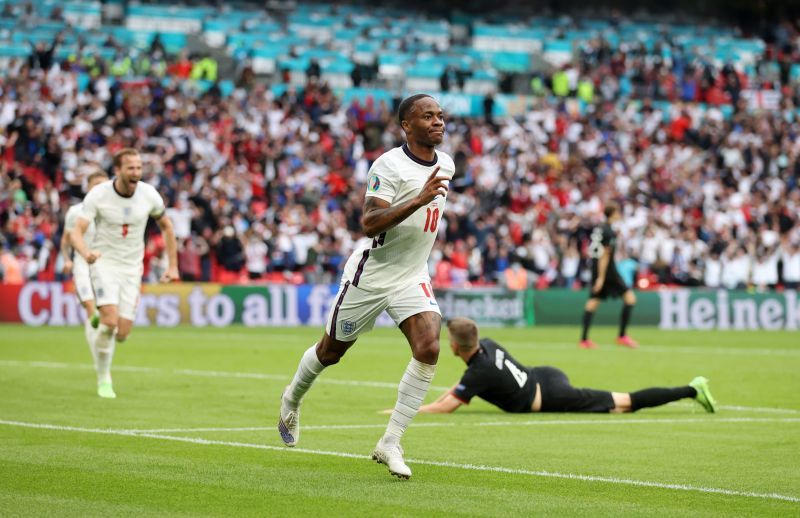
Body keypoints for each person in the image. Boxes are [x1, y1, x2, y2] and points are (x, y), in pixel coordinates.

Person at [278, 94, 455, 480]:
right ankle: (292, 397)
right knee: (331, 352)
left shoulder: (446, 163)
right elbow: (370, 222)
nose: (438, 122)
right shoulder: (388, 165)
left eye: (440, 116)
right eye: (428, 116)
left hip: (411, 274)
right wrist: (419, 198)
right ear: (406, 125)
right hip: (371, 275)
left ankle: (390, 442)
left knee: (429, 348)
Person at [416, 317, 717, 415]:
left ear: (455, 347)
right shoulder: (489, 346)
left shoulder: (479, 372)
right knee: (619, 405)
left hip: (549, 394)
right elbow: (461, 387)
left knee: (624, 403)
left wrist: (413, 411)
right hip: (545, 374)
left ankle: (692, 389)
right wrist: (433, 402)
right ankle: (690, 390)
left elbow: (448, 406)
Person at [70, 149, 179, 399]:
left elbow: (167, 227)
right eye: (131, 168)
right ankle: (104, 378)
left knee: (122, 333)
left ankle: (93, 329)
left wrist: (172, 265)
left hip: (132, 268)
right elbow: (76, 231)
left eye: (139, 168)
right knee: (109, 320)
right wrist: (85, 251)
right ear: (118, 170)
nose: (136, 173)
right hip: (104, 263)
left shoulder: (149, 194)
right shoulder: (98, 195)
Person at [60, 169, 108, 371]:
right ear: (88, 188)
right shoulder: (76, 212)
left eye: (104, 185)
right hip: (82, 260)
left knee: (106, 314)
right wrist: (66, 259)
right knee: (90, 304)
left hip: (107, 266)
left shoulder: (113, 212)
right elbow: (66, 239)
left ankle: (100, 349)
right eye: (96, 185)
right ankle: (92, 314)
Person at [580, 203, 638, 349]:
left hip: (596, 268)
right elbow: (604, 255)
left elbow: (593, 250)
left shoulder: (599, 228)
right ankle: (622, 336)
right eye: (617, 211)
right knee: (630, 299)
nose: (619, 214)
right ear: (613, 213)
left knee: (593, 302)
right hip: (607, 271)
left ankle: (584, 339)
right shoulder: (609, 231)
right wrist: (601, 277)